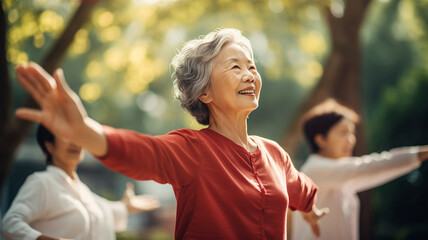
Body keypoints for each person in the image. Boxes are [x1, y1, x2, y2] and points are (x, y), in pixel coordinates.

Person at [13, 28, 328, 240]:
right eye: (235, 67)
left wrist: (311, 210)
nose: (249, 75)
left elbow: (299, 188)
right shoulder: (192, 150)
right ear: (204, 92)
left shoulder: (274, 154)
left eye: (252, 67)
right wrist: (84, 131)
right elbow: (141, 151)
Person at [291, 98, 428, 240]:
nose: (351, 140)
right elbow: (372, 166)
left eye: (352, 133)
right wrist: (422, 153)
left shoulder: (339, 173)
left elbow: (374, 170)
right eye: (343, 132)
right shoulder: (315, 170)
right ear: (320, 139)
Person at [2, 125, 160, 240]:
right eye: (66, 135)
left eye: (78, 136)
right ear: (49, 145)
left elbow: (104, 211)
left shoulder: (82, 190)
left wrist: (126, 206)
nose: (75, 142)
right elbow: (10, 223)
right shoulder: (42, 183)